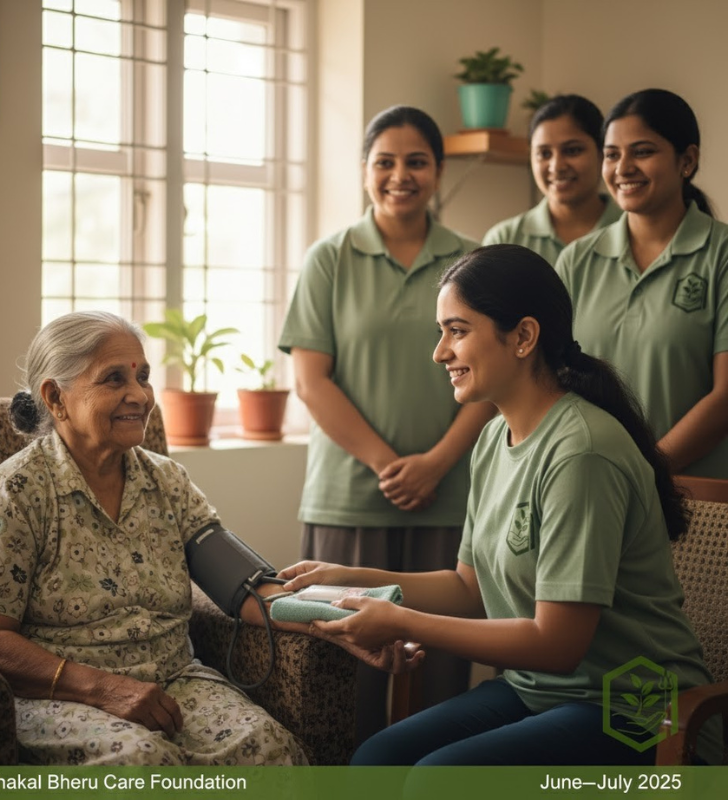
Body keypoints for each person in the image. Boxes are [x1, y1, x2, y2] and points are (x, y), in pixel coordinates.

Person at [280, 245, 722, 767]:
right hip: (542, 692)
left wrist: (402, 621)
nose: (440, 352)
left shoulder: (583, 451)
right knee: (378, 758)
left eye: (457, 330)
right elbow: (469, 588)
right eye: (441, 332)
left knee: (438, 779)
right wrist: (351, 575)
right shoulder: (493, 440)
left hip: (637, 707)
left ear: (524, 337)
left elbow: (556, 644)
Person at [0, 311, 308, 766]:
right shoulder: (19, 490)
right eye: (113, 379)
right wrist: (103, 687)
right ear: (55, 397)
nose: (140, 395)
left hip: (174, 680)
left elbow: (246, 587)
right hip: (62, 696)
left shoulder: (167, 480)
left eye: (142, 376)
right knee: (142, 762)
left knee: (268, 747)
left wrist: (336, 617)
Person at [278, 105, 495, 740]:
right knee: (343, 676)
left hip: (451, 492)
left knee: (442, 679)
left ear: (439, 171)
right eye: (385, 162)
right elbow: (311, 379)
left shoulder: (472, 261)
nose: (401, 175)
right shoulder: (331, 258)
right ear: (365, 171)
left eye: (417, 162)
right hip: (350, 496)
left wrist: (436, 463)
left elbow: (495, 375)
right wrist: (386, 463)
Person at [556, 89, 728, 477]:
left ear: (687, 160)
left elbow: (725, 398)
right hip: (591, 484)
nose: (623, 167)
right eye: (612, 154)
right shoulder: (577, 260)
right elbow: (553, 381)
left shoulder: (721, 254)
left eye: (643, 151)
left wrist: (641, 472)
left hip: (697, 501)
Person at [483, 94, 622, 264]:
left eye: (572, 150)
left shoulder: (631, 230)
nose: (557, 166)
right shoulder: (504, 241)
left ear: (602, 153)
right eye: (544, 154)